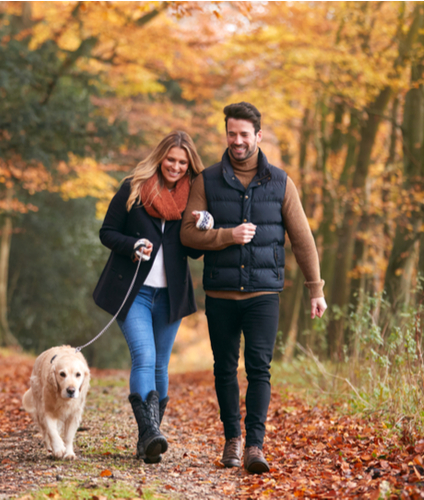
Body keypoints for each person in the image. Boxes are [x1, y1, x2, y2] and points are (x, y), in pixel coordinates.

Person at [180, 102, 327, 474]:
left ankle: (255, 446)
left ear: (258, 136)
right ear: (226, 134)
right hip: (220, 294)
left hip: (264, 294)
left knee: (260, 369)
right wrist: (227, 236)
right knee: (225, 369)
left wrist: (316, 289)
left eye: (245, 134)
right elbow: (187, 235)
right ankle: (232, 439)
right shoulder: (207, 181)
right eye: (232, 133)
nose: (238, 141)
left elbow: (303, 239)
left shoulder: (280, 182)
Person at [93, 131, 209, 464]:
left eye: (182, 162)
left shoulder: (193, 198)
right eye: (171, 159)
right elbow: (107, 232)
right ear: (160, 158)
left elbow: (195, 253)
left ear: (189, 166)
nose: (175, 166)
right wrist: (131, 245)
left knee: (160, 363)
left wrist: (202, 226)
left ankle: (150, 439)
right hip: (134, 292)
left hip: (171, 296)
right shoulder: (134, 187)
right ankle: (149, 434)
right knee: (144, 355)